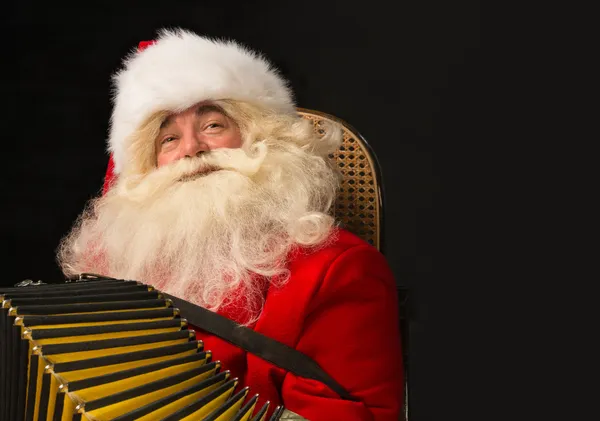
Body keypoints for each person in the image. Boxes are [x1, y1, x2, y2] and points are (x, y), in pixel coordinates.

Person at [57, 28, 403, 421]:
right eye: (168, 139)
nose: (191, 149)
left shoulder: (339, 270)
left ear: (262, 139)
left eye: (212, 126)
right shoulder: (120, 271)